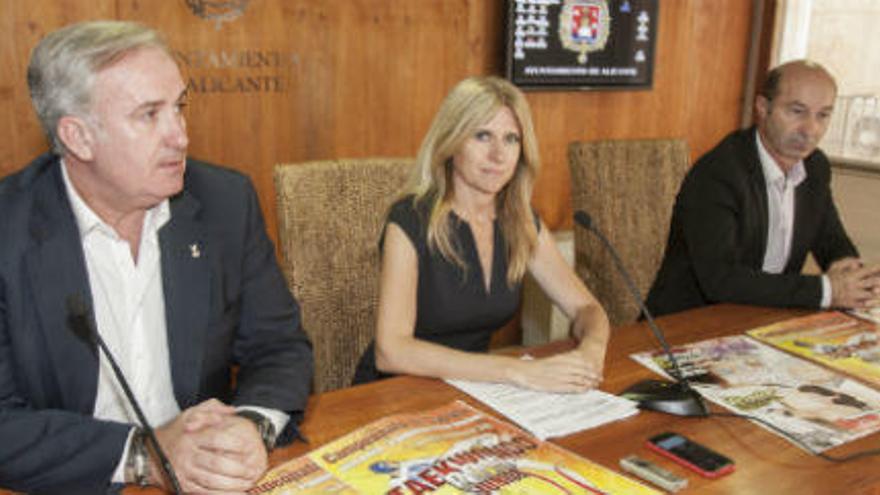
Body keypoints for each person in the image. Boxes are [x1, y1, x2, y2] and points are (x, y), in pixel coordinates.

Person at [0, 21, 313, 493]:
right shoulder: (9, 230)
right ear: (78, 137)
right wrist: (143, 455)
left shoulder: (226, 202)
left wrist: (251, 426)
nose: (180, 136)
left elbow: (279, 347)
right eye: (149, 115)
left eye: (179, 107)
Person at [353, 76, 610, 393]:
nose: (498, 155)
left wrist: (591, 353)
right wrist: (516, 371)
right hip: (395, 392)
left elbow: (588, 310)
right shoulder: (408, 220)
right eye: (483, 136)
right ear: (451, 142)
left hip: (474, 390)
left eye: (511, 139)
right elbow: (391, 351)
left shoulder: (520, 221)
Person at [645, 60, 880, 317]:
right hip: (689, 323)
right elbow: (721, 280)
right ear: (762, 107)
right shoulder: (718, 173)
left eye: (823, 115)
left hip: (767, 318)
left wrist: (849, 272)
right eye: (797, 111)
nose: (810, 129)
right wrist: (827, 290)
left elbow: (831, 239)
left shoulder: (815, 166)